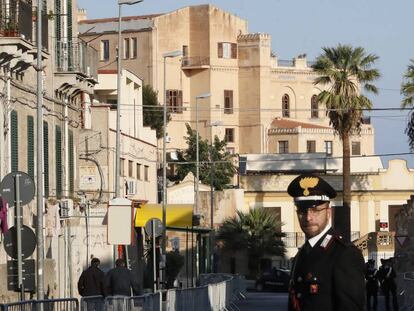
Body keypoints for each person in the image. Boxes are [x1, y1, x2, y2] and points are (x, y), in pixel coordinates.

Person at [287, 174, 365, 311]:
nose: (308, 218)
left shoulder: (344, 254)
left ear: (328, 213)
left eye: (315, 210)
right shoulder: (302, 254)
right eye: (302, 211)